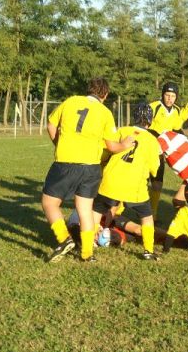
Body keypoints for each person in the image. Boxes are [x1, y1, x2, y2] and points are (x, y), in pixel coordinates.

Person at [42, 77, 134, 262]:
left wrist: (58, 144)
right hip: (91, 167)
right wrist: (124, 144)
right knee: (85, 210)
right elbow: (112, 146)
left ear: (88, 90)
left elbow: (51, 125)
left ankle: (64, 239)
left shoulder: (70, 101)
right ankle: (87, 254)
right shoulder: (105, 112)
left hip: (66, 162)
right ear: (105, 94)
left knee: (49, 203)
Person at [92, 103, 161, 260]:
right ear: (150, 121)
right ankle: (148, 250)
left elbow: (107, 150)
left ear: (133, 118)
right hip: (134, 186)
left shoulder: (122, 130)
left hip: (111, 180)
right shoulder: (151, 140)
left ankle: (91, 243)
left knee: (97, 210)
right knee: (147, 216)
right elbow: (154, 168)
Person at [148, 82, 184, 219]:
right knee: (137, 181)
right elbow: (144, 126)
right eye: (167, 95)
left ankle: (153, 213)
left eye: (173, 96)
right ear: (162, 95)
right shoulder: (154, 107)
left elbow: (176, 130)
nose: (169, 98)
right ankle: (120, 210)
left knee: (157, 184)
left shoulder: (176, 111)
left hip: (160, 153)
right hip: (148, 150)